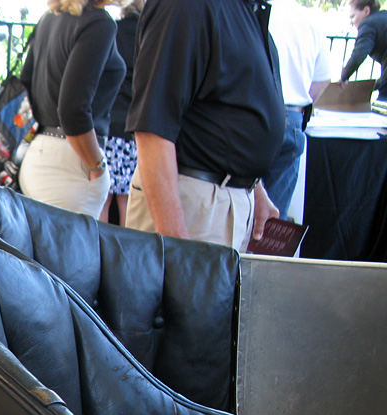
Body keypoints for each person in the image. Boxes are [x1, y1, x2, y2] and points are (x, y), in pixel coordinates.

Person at [125, 0, 283, 250]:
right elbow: (152, 129)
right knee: (178, 289)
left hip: (224, 201)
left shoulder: (243, 8)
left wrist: (255, 188)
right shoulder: (187, 5)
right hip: (192, 202)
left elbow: (227, 106)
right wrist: (176, 247)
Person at [17, 0, 125, 218]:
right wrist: (97, 166)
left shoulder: (49, 18)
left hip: (37, 154)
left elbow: (26, 79)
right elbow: (72, 110)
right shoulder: (98, 23)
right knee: (71, 251)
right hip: (71, 165)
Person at [263, 0, 331, 217]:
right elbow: (322, 79)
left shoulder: (251, 12)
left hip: (255, 114)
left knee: (236, 208)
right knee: (274, 218)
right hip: (292, 115)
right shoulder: (310, 20)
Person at [100, 0, 144, 226]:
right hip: (132, 126)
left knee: (103, 198)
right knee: (126, 200)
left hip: (108, 124)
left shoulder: (113, 31)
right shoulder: (148, 36)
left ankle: (100, 252)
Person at [340, 0, 387, 102]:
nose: (351, 21)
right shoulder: (383, 17)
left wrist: (343, 78)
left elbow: (359, 55)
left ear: (366, 10)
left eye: (353, 16)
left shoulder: (368, 24)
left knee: (382, 104)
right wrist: (371, 86)